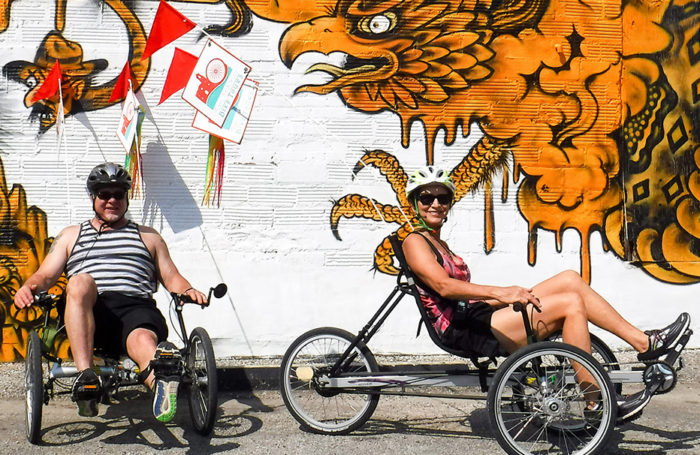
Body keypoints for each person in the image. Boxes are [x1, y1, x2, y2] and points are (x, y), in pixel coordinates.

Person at [400, 166, 691, 423]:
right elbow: (445, 287)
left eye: (443, 198)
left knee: (570, 280)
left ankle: (646, 343)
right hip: (464, 329)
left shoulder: (439, 243)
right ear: (415, 203)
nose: (436, 204)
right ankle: (597, 403)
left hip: (478, 315)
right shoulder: (415, 241)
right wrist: (503, 293)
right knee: (570, 305)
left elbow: (464, 295)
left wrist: (514, 293)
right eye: (427, 198)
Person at [14, 162, 207, 422]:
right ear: (93, 197)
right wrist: (28, 287)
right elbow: (46, 274)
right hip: (89, 310)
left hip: (135, 310)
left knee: (143, 343)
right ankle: (86, 377)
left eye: (119, 194)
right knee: (80, 282)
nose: (112, 200)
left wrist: (189, 290)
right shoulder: (72, 235)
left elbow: (171, 276)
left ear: (126, 198)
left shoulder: (148, 236)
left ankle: (161, 383)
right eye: (104, 194)